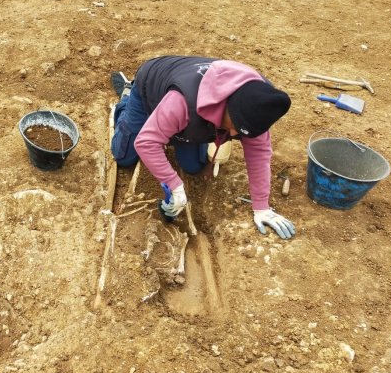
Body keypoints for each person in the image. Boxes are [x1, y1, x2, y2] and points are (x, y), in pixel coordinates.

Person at [110, 55, 295, 239]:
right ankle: (127, 96)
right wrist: (173, 184)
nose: (231, 136)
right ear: (228, 104)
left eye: (240, 132)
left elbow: (259, 154)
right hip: (150, 90)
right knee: (124, 156)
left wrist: (261, 206)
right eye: (234, 126)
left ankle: (170, 128)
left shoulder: (260, 107)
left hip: (193, 113)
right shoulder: (182, 101)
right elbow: (146, 142)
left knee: (193, 166)